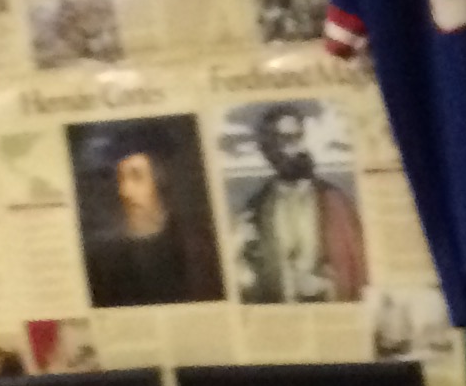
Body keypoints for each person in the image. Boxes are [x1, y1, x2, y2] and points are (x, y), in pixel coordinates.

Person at [234, 104, 367, 305]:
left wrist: (328, 284)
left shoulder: (335, 201)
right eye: (282, 139)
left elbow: (357, 266)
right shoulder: (256, 208)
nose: (292, 147)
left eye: (297, 137)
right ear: (267, 148)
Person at [84, 128, 221, 309]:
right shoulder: (103, 258)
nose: (124, 192)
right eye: (119, 179)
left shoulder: (198, 245)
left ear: (160, 180)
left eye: (136, 176)